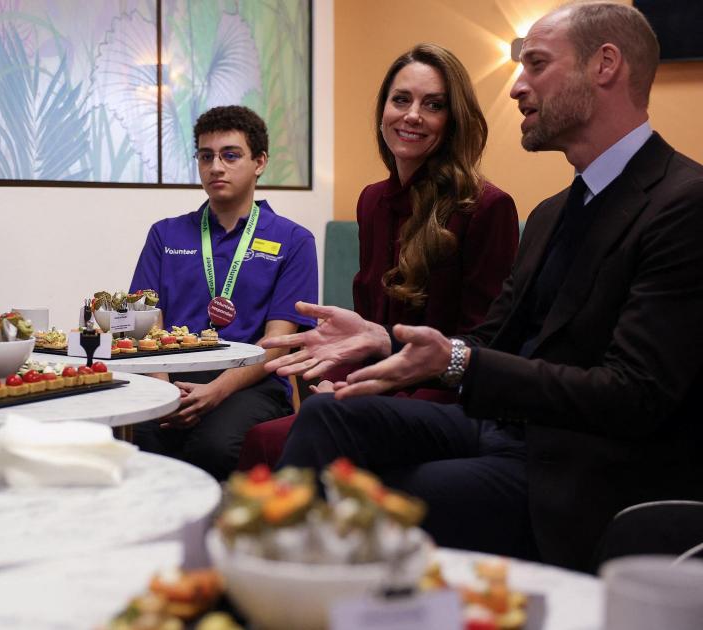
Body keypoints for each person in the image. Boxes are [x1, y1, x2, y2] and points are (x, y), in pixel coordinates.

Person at [265, 2, 703, 572]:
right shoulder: (551, 214)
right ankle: (271, 579)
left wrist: (458, 364)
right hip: (500, 430)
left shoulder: (683, 203)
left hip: (578, 461)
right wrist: (385, 342)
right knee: (327, 418)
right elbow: (487, 340)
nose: (517, 87)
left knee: (373, 496)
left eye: (536, 64)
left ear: (606, 65)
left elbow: (633, 395)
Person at [237, 43, 519, 470]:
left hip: (446, 399)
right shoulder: (372, 201)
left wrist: (363, 391)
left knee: (306, 427)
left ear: (453, 120)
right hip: (379, 388)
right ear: (383, 110)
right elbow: (370, 329)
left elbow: (484, 347)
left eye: (433, 105)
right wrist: (341, 379)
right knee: (260, 436)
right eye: (401, 99)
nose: (412, 115)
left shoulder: (485, 207)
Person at [129, 105, 318, 481]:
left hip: (252, 381)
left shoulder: (293, 241)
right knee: (137, 435)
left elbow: (278, 344)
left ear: (259, 161)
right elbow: (143, 323)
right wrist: (163, 392)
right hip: (167, 376)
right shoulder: (165, 234)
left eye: (230, 155)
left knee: (213, 446)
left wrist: (215, 391)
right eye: (206, 156)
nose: (216, 166)